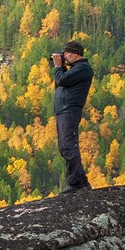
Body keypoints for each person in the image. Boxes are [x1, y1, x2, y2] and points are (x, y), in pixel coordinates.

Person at [49, 40, 93, 193]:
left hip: (69, 110)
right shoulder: (75, 69)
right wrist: (62, 67)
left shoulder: (83, 68)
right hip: (64, 110)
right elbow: (60, 83)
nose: (65, 56)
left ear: (76, 54)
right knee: (64, 146)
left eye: (67, 53)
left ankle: (76, 184)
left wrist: (58, 67)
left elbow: (61, 80)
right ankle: (81, 182)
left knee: (69, 145)